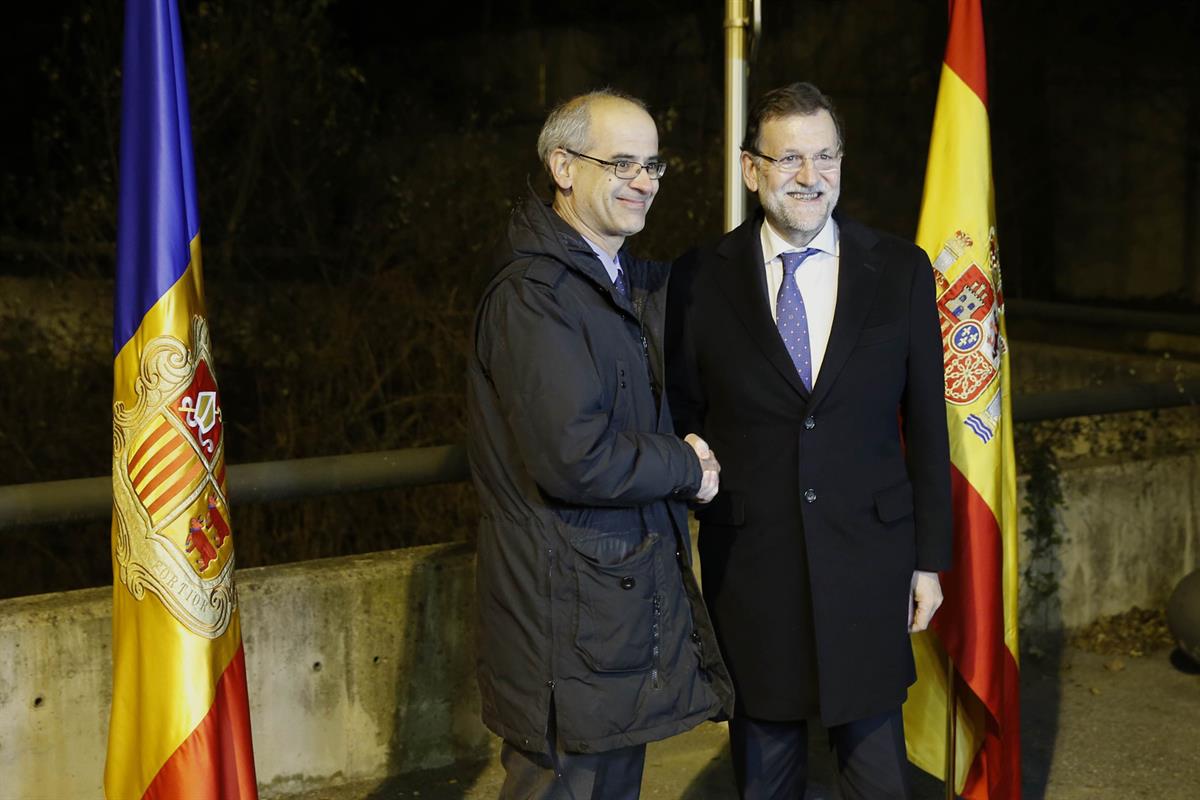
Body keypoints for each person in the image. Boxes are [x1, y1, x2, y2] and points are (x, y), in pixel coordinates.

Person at [665, 82, 952, 799]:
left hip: (871, 565)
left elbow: (926, 423)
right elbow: (684, 415)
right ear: (750, 168)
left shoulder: (902, 271)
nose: (810, 176)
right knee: (766, 778)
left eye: (826, 156)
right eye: (789, 157)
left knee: (880, 778)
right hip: (752, 570)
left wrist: (929, 561)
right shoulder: (697, 279)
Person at [466, 89, 734, 800]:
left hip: (602, 626)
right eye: (621, 163)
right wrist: (688, 464)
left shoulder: (610, 282)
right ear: (562, 166)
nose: (642, 181)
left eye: (651, 164)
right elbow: (573, 455)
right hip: (564, 631)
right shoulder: (537, 294)